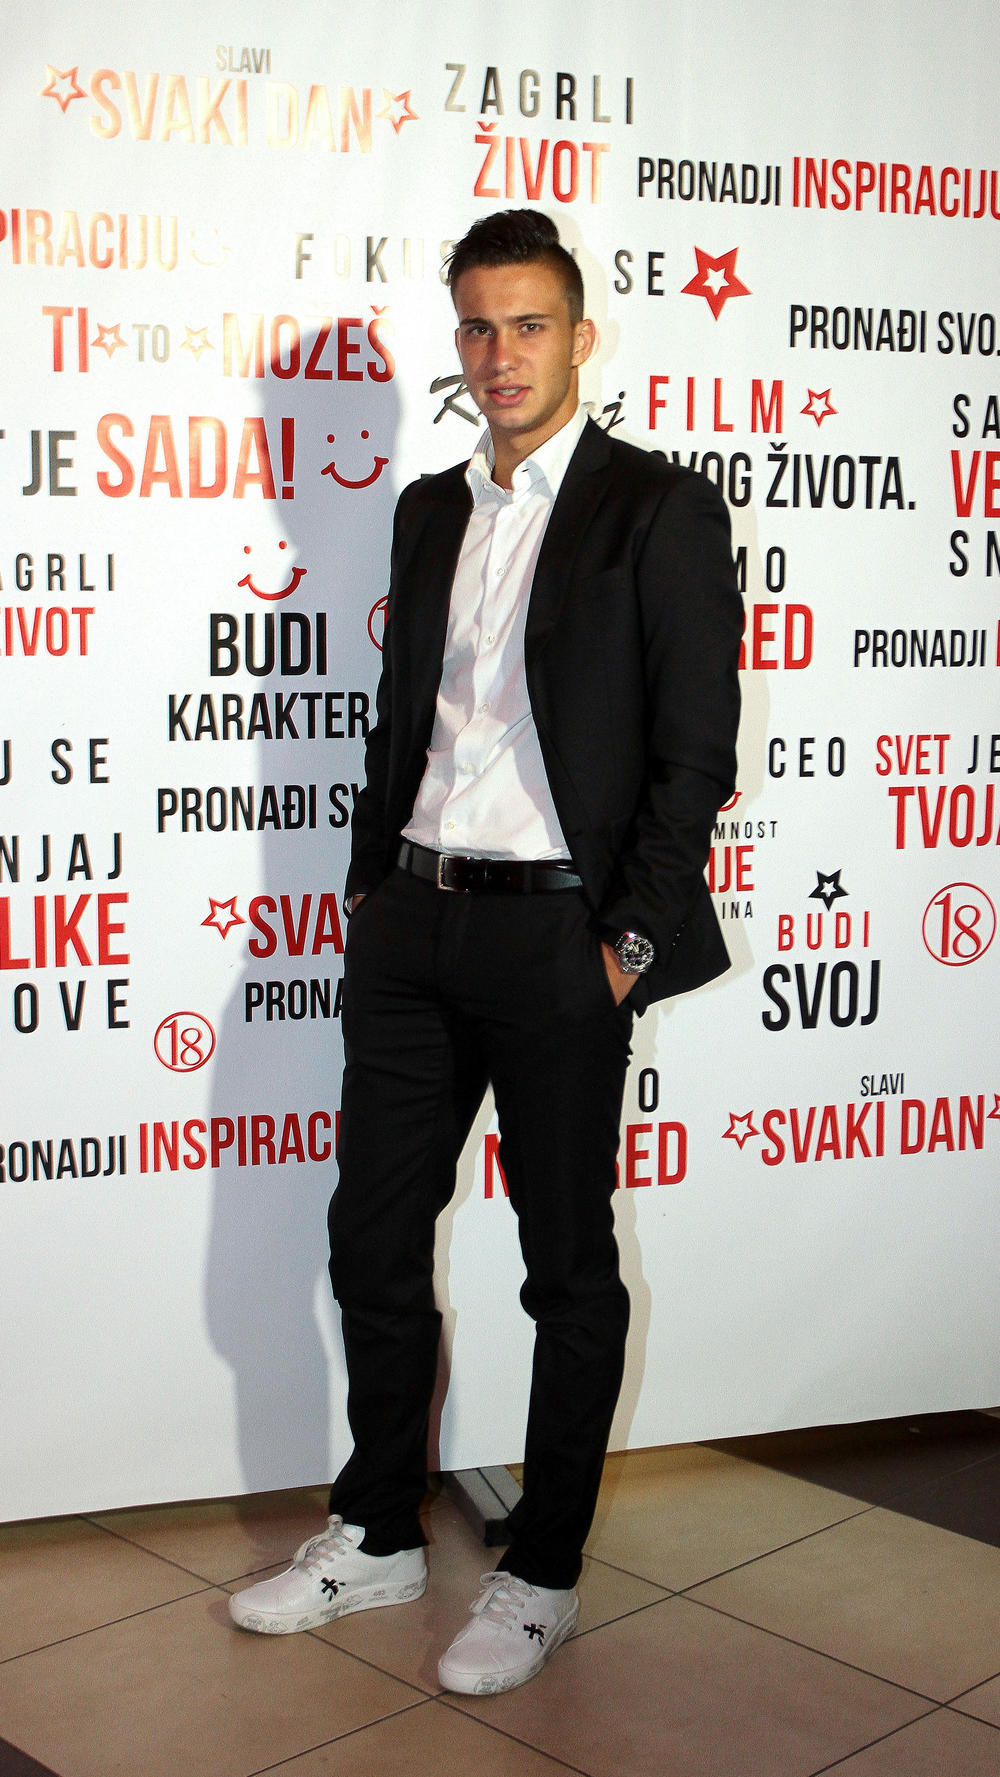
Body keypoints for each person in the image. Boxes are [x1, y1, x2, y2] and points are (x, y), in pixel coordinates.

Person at [230, 209, 743, 1694]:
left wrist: (623, 944)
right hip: (412, 923)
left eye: (528, 325)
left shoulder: (659, 509)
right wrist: (367, 896)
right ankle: (380, 1526)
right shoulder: (426, 512)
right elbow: (409, 720)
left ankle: (542, 1570)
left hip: (558, 937)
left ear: (583, 338)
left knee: (565, 1264)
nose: (500, 353)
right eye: (477, 326)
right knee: (371, 1235)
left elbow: (694, 758)